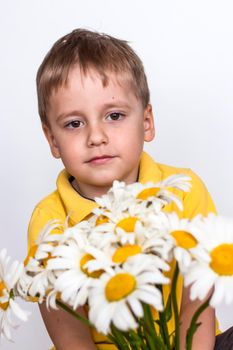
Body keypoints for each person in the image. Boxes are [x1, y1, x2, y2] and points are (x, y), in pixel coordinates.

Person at [27, 28, 230, 349]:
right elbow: (70, 335)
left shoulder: (184, 191)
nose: (96, 136)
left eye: (114, 115)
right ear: (52, 140)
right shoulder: (50, 221)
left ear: (146, 122)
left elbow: (198, 304)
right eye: (74, 124)